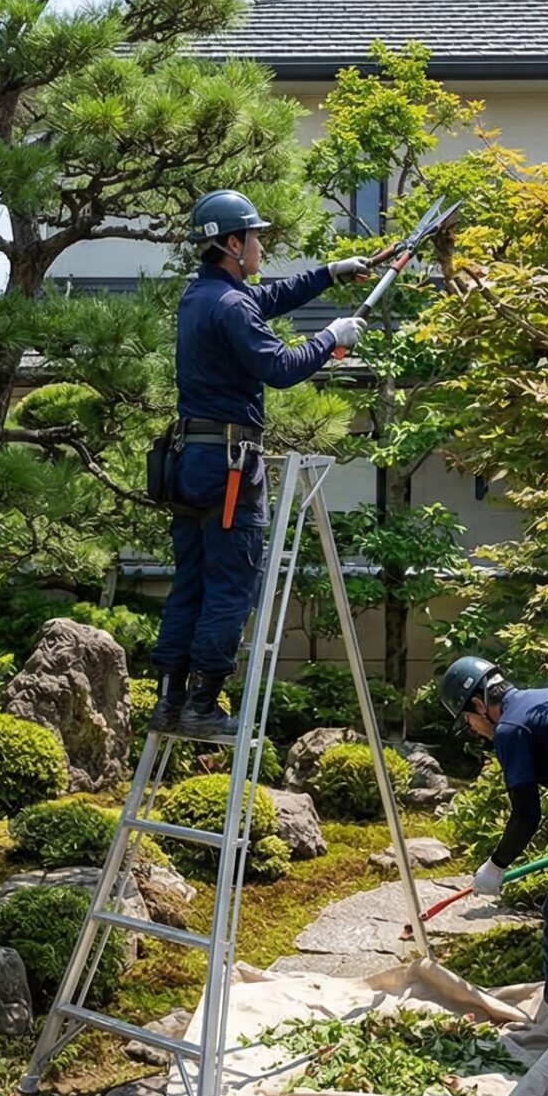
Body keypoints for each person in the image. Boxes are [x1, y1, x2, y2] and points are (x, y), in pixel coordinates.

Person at [147, 189, 383, 738]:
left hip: (191, 461)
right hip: (229, 465)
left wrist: (328, 272)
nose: (260, 247)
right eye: (255, 238)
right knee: (232, 584)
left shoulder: (202, 296)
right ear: (233, 244)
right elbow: (277, 367)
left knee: (191, 583)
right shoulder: (231, 306)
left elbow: (264, 299)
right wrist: (330, 336)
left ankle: (169, 702)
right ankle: (204, 706)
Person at [442, 654, 548, 1037]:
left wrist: (495, 866)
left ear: (479, 704)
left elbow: (526, 815)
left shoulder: (510, 728)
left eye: (469, 721)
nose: (475, 731)